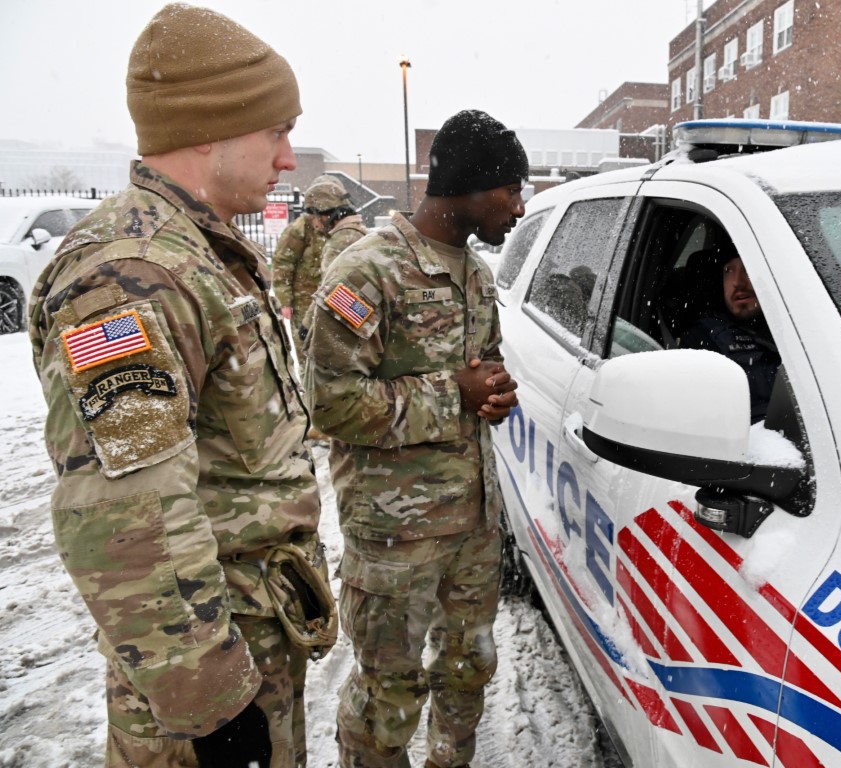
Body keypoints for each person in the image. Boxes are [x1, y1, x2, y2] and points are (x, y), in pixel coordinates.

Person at [28, 5, 334, 767]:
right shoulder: (134, 276)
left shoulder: (198, 254)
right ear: (208, 128)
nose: (289, 160)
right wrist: (212, 711)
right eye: (276, 132)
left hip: (248, 640)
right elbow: (123, 518)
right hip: (202, 691)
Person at [304, 109, 525, 768]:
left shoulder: (477, 274)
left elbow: (479, 372)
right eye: (511, 191)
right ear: (471, 187)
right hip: (396, 540)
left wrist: (492, 396)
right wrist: (447, 395)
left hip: (473, 529)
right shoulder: (366, 273)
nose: (518, 206)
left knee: (467, 674)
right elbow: (329, 404)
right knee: (388, 698)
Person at [679, 242, 781, 422]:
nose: (737, 282)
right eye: (728, 270)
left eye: (748, 268)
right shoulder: (704, 339)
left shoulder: (802, 326)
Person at [273, 174, 360, 341]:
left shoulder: (344, 228)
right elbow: (283, 261)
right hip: (305, 299)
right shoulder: (301, 227)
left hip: (333, 297)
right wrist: (284, 300)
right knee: (306, 346)